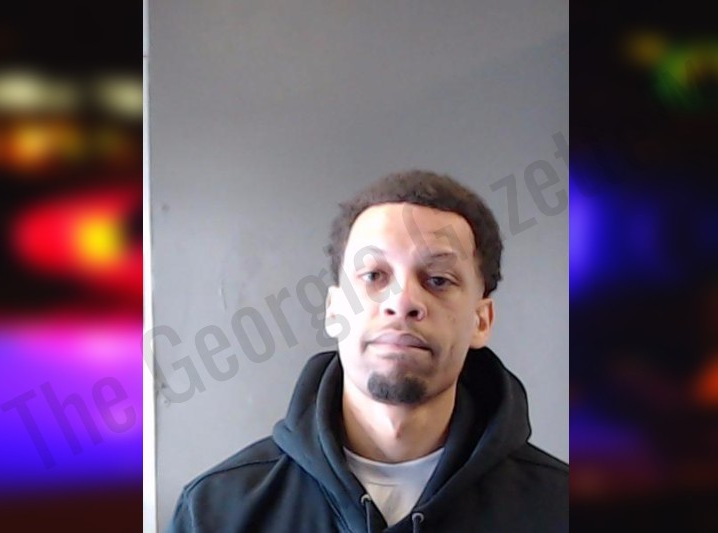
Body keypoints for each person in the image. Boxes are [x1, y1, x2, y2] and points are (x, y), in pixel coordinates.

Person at [169, 170, 568, 532]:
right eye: (374, 275)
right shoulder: (215, 513)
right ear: (333, 310)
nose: (403, 301)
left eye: (438, 280)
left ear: (481, 320)